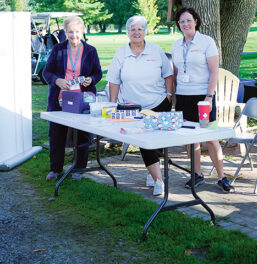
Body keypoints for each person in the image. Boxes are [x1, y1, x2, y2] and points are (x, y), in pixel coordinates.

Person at [106, 16, 174, 196]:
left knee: (157, 142)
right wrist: (113, 105)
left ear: (145, 31)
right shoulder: (121, 53)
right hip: (132, 107)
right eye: (132, 29)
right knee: (145, 142)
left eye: (140, 29)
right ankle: (159, 180)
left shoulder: (155, 50)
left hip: (158, 103)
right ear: (128, 32)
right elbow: (114, 81)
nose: (136, 32)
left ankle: (152, 174)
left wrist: (168, 96)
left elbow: (168, 74)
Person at [171, 7, 235, 193]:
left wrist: (209, 96)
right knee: (191, 139)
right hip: (183, 97)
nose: (185, 24)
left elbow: (214, 70)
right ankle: (197, 174)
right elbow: (175, 73)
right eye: (181, 22)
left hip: (203, 98)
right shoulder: (176, 45)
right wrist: (174, 95)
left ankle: (222, 177)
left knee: (211, 137)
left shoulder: (207, 42)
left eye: (188, 20)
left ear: (196, 21)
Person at [43, 16, 102, 181]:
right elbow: (46, 73)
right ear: (65, 33)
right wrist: (57, 80)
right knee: (56, 135)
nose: (74, 35)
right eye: (70, 32)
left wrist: (92, 79)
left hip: (82, 100)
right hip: (59, 100)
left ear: (82, 31)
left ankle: (79, 169)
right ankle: (55, 169)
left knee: (82, 135)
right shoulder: (58, 50)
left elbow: (98, 72)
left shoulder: (91, 51)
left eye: (77, 31)